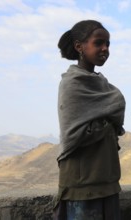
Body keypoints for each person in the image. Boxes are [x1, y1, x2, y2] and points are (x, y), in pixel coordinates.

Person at [53, 20, 125, 220]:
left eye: (108, 44)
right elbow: (73, 133)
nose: (105, 49)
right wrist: (106, 124)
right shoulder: (71, 85)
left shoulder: (102, 85)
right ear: (79, 47)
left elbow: (114, 112)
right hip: (82, 184)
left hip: (108, 179)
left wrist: (103, 124)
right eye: (99, 43)